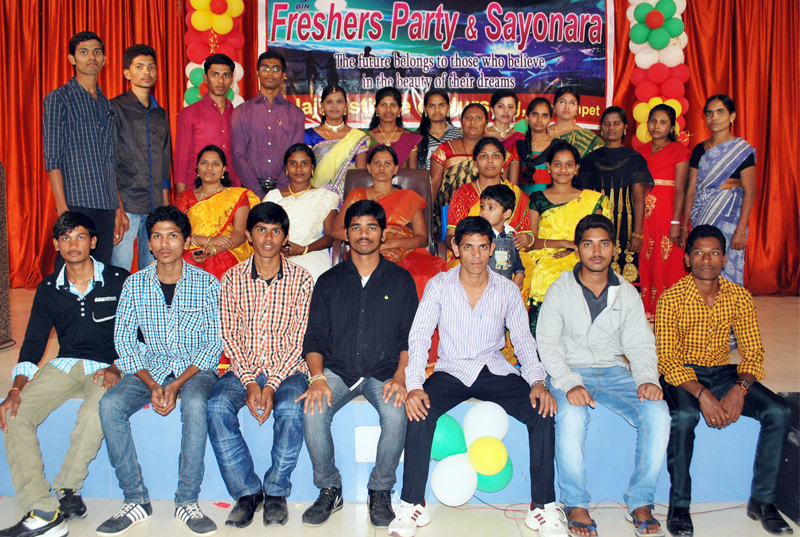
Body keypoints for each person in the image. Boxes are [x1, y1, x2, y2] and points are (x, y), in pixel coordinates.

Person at [389, 216, 565, 537]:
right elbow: (420, 336)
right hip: (452, 370)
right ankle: (412, 503)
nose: (476, 255)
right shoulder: (439, 285)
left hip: (493, 369)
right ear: (456, 248)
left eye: (483, 247)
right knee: (419, 411)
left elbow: (523, 341)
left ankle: (542, 506)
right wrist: (414, 385)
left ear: (492, 248)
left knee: (542, 410)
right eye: (468, 247)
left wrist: (537, 382)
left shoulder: (507, 290)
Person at [537, 213, 670, 537]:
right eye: (588, 244)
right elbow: (548, 346)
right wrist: (570, 383)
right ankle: (575, 503)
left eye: (604, 244)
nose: (596, 252)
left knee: (658, 413)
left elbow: (640, 344)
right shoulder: (559, 290)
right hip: (570, 371)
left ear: (613, 248)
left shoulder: (626, 292)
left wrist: (647, 379)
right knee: (571, 415)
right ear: (578, 248)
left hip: (613, 372)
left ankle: (641, 500)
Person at [656, 225, 792, 537]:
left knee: (779, 411)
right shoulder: (671, 297)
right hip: (683, 375)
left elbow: (753, 352)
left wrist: (740, 389)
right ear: (687, 259)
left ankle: (763, 502)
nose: (707, 260)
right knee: (685, 416)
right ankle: (679, 506)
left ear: (724, 258)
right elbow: (668, 360)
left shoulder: (739, 296)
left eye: (714, 253)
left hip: (722, 372)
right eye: (699, 253)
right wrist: (703, 394)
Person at [96, 206, 222, 537]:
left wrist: (177, 385)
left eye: (173, 236)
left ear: (186, 241)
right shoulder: (134, 284)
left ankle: (187, 500)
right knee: (109, 405)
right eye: (157, 237)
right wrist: (153, 384)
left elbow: (213, 345)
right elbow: (124, 342)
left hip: (194, 370)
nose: (165, 244)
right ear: (149, 243)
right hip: (150, 368)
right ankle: (135, 498)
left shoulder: (207, 284)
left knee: (194, 403)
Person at [0, 213, 127, 537]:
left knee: (95, 411)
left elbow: (137, 333)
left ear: (93, 242)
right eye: (66, 238)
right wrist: (15, 390)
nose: (73, 244)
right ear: (56, 245)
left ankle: (68, 488)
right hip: (65, 364)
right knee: (15, 414)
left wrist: (118, 366)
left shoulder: (118, 279)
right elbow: (33, 344)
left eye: (81, 237)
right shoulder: (48, 288)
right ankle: (42, 509)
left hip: (108, 366)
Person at [301, 200, 419, 529]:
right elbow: (314, 337)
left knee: (396, 415)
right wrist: (317, 379)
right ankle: (330, 488)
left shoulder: (400, 280)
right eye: (356, 227)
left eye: (371, 227)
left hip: (384, 372)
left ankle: (380, 489)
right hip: (338, 370)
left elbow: (410, 338)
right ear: (346, 234)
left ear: (383, 234)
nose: (363, 234)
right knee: (313, 412)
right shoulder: (329, 281)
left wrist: (401, 376)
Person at [208, 202, 314, 528]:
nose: (268, 238)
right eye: (261, 230)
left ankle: (277, 490)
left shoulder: (302, 279)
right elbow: (229, 336)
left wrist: (271, 384)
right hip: (244, 368)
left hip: (289, 368)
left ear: (285, 237)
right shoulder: (232, 278)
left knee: (292, 409)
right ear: (249, 235)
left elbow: (300, 339)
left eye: (276, 231)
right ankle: (248, 492)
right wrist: (252, 381)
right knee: (216, 406)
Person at [43, 31, 125, 267]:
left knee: (100, 269)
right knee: (70, 267)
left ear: (104, 59)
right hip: (76, 200)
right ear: (72, 59)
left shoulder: (106, 104)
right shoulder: (59, 98)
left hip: (106, 202)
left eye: (97, 52)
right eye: (84, 52)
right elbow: (53, 158)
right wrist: (63, 208)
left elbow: (110, 159)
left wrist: (117, 206)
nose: (91, 57)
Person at [334, 145, 447, 298]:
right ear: (368, 167)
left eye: (387, 163)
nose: (382, 167)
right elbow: (337, 229)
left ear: (395, 169)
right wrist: (368, 242)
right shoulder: (357, 195)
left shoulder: (409, 197)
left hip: (405, 251)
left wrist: (390, 244)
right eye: (377, 163)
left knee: (423, 276)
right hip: (365, 249)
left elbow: (422, 238)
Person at [526, 143, 609, 336]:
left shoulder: (591, 200)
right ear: (548, 167)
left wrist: (574, 249)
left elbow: (599, 239)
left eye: (569, 164)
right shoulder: (537, 198)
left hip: (583, 255)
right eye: (557, 164)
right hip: (545, 257)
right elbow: (531, 241)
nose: (563, 170)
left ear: (577, 168)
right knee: (547, 274)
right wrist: (564, 243)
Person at [110, 44, 172, 271]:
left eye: (151, 67)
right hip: (126, 202)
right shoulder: (115, 108)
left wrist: (165, 208)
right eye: (140, 67)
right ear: (127, 73)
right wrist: (116, 206)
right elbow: (109, 161)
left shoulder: (160, 113)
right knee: (120, 268)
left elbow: (164, 162)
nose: (147, 72)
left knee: (152, 268)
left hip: (155, 204)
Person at [575, 106, 653, 285]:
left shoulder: (634, 159)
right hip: (597, 222)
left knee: (627, 278)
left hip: (626, 225)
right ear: (601, 127)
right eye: (607, 124)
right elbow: (584, 200)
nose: (611, 128)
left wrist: (638, 234)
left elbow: (639, 199)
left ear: (625, 127)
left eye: (616, 123)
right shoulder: (590, 160)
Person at [682, 95, 755, 286]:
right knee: (702, 262)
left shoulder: (741, 150)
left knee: (727, 263)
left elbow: (749, 192)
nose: (714, 117)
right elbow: (691, 190)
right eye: (709, 113)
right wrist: (683, 226)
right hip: (702, 215)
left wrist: (740, 230)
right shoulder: (699, 150)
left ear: (732, 116)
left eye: (720, 112)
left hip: (730, 218)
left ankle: (729, 304)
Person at [174, 145, 260, 281]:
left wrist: (213, 249)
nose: (209, 168)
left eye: (215, 164)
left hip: (228, 250)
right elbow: (177, 233)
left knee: (224, 267)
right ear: (197, 168)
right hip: (192, 249)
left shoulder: (237, 195)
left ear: (223, 169)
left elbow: (240, 234)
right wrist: (205, 241)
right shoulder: (185, 197)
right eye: (204, 163)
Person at [636, 104, 690, 321]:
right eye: (653, 121)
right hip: (644, 215)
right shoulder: (640, 151)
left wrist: (676, 222)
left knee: (668, 260)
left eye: (663, 122)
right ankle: (648, 311)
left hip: (667, 213)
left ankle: (670, 312)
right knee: (646, 257)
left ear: (672, 127)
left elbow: (681, 190)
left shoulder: (680, 151)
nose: (656, 126)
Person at [444, 137, 531, 268]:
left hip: (508, 256)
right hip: (470, 256)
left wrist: (527, 240)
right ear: (475, 162)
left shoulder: (518, 195)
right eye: (484, 156)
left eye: (495, 156)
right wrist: (463, 246)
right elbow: (451, 235)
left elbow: (528, 237)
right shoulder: (463, 193)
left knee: (525, 267)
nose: (490, 160)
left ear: (504, 161)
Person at [232, 50, 305, 198]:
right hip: (250, 192)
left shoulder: (295, 114)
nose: (270, 73)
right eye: (265, 68)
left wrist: (277, 193)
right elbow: (238, 156)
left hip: (285, 192)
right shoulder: (241, 112)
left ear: (283, 75)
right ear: (257, 73)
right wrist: (257, 192)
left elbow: (295, 156)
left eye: (276, 69)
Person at [264, 144, 339, 282]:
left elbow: (330, 237)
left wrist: (304, 249)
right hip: (275, 253)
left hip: (312, 254)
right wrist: (278, 248)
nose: (298, 169)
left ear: (312, 168)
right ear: (286, 168)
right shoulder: (272, 197)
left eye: (304, 163)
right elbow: (262, 231)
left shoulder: (325, 197)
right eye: (293, 163)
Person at [174, 53, 239, 194]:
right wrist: (182, 199)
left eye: (226, 75)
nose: (220, 80)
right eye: (215, 75)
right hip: (197, 191)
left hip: (230, 191)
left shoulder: (237, 114)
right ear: (205, 78)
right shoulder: (189, 114)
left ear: (232, 79)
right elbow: (181, 161)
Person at [430, 103, 491, 239]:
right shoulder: (445, 149)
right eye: (468, 118)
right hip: (451, 216)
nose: (473, 122)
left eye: (478, 118)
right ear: (461, 123)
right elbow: (434, 185)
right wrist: (429, 216)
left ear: (486, 125)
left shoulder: (496, 153)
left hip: (488, 215)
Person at [305, 85, 369, 201]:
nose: (334, 106)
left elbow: (360, 176)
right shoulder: (309, 135)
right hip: (318, 198)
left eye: (339, 101)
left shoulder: (357, 137)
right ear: (322, 106)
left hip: (349, 198)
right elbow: (306, 171)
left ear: (346, 105)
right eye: (329, 102)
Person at [479, 184, 525, 289]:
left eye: (491, 208)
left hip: (505, 283)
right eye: (482, 206)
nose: (484, 211)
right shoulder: (479, 233)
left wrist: (519, 272)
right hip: (483, 282)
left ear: (507, 213)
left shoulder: (511, 234)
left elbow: (515, 257)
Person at [508, 98, 559, 193]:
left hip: (551, 200)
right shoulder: (519, 146)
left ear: (550, 120)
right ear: (527, 117)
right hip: (523, 200)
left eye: (544, 115)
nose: (539, 119)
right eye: (535, 114)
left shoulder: (558, 146)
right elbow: (513, 185)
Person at [364, 87, 422, 169]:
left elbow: (413, 174)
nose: (388, 109)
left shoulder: (410, 138)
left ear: (399, 109)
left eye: (393, 105)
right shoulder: (365, 138)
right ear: (376, 109)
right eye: (383, 104)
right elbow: (362, 173)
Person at [416, 89, 461, 171]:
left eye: (441, 105)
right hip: (425, 179)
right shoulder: (416, 137)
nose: (437, 109)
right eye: (431, 106)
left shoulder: (460, 135)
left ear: (448, 108)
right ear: (425, 109)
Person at [485, 89, 525, 155]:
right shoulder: (483, 135)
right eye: (501, 106)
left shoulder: (520, 138)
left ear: (516, 111)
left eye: (510, 107)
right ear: (492, 110)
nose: (506, 111)